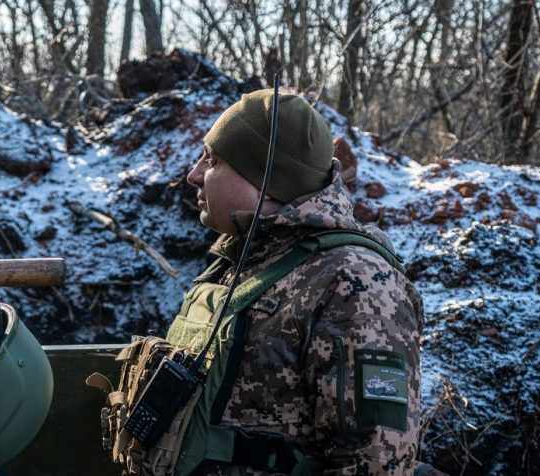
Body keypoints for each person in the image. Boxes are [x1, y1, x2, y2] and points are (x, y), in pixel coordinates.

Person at [181, 89, 423, 475]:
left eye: (212, 161)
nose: (193, 175)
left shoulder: (356, 283)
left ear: (264, 179)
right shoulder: (246, 259)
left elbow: (375, 463)